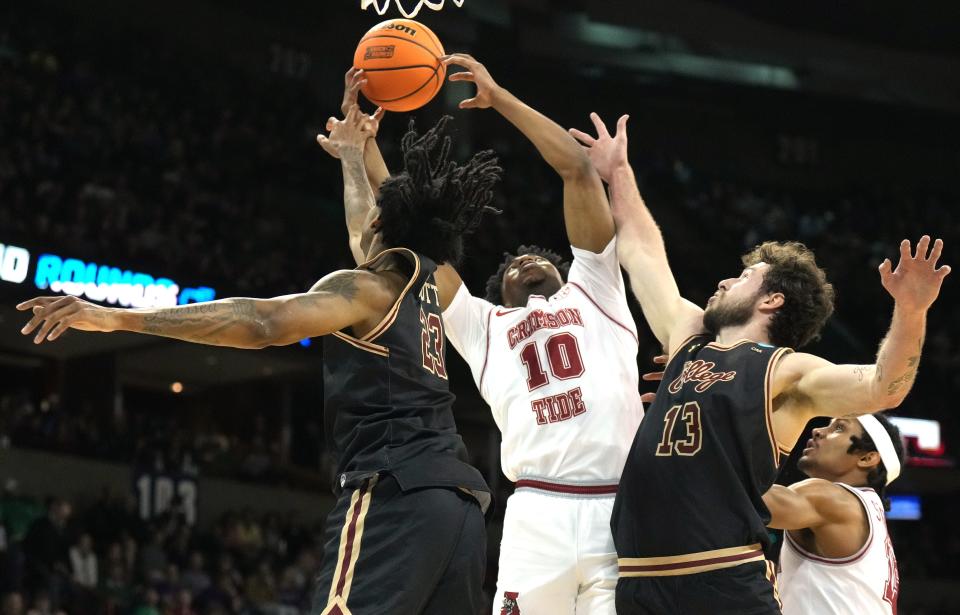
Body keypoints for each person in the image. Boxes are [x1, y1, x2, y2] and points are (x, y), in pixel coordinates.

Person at [17, 108, 502, 615]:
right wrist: (353, 158)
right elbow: (366, 234)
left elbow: (264, 323)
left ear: (384, 221)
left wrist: (117, 319)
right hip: (463, 506)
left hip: (396, 489)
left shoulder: (366, 289)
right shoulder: (433, 284)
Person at [568, 113, 949, 614]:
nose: (726, 282)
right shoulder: (687, 336)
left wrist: (912, 310)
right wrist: (619, 173)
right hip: (639, 578)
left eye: (744, 276)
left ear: (771, 301)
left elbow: (884, 387)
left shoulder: (786, 372)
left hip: (721, 577)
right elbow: (640, 249)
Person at [328, 56, 642, 615]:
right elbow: (410, 228)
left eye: (534, 256)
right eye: (511, 264)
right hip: (535, 510)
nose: (522, 258)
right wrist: (367, 150)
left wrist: (499, 98)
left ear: (565, 271)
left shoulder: (597, 291)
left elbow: (575, 168)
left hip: (619, 508)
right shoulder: (484, 326)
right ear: (500, 291)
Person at [764, 414, 903, 615]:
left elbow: (743, 499)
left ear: (867, 458)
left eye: (839, 428)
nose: (818, 431)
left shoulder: (836, 501)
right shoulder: (869, 512)